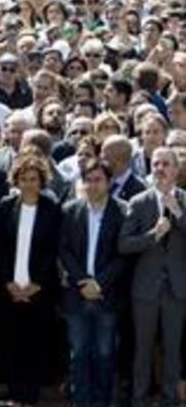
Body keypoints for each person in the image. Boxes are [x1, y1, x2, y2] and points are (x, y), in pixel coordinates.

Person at [119, 146, 186, 407]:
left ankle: (170, 400)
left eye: (166, 164)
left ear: (176, 170)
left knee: (172, 350)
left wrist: (178, 214)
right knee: (143, 349)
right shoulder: (139, 202)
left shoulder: (185, 199)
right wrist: (152, 236)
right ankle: (139, 399)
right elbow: (123, 244)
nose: (159, 169)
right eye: (156, 164)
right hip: (145, 289)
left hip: (178, 288)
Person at [0, 154, 63, 407]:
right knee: (12, 342)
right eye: (23, 179)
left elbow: (53, 250)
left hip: (39, 290)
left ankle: (30, 397)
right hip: (10, 289)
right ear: (16, 180)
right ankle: (14, 395)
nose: (28, 184)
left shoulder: (51, 209)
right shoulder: (4, 207)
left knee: (35, 343)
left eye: (34, 179)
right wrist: (8, 283)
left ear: (41, 181)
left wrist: (37, 284)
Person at [60, 157, 128, 407]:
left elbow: (122, 256)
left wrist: (98, 284)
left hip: (107, 295)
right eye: (87, 180)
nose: (92, 185)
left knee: (105, 353)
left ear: (109, 183)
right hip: (77, 295)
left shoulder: (122, 211)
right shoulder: (70, 210)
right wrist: (82, 282)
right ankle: (81, 401)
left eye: (98, 180)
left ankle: (102, 401)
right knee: (78, 353)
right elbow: (64, 250)